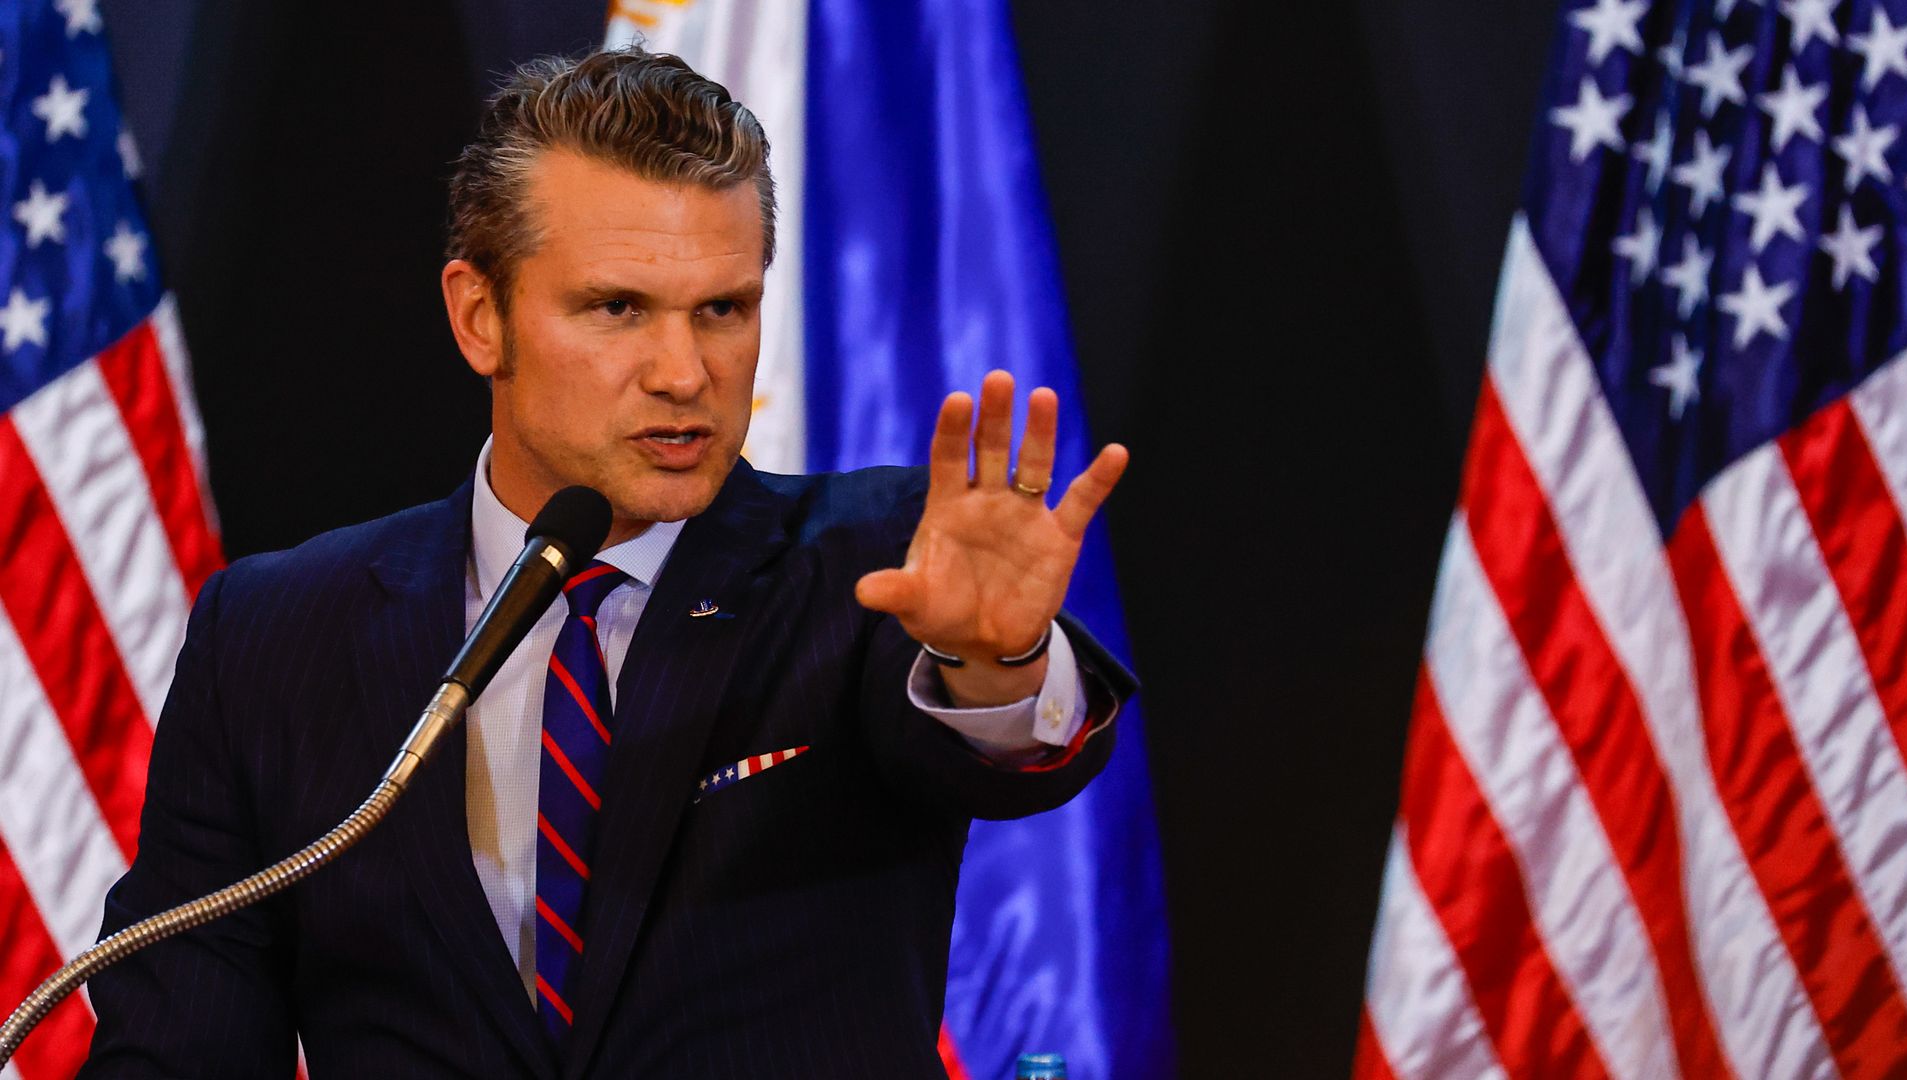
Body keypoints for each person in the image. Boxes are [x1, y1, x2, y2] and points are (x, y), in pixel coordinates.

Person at [79, 45, 1133, 1078]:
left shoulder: (869, 569)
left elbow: (997, 757)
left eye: (723, 310)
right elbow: (179, 1043)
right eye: (617, 309)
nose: (685, 373)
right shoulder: (273, 635)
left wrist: (995, 665)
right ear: (480, 316)